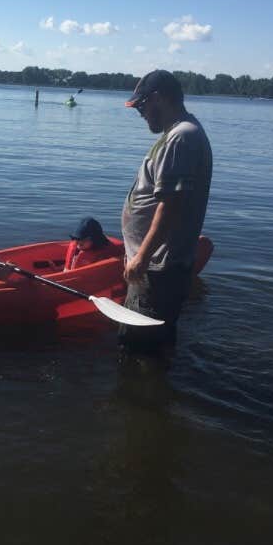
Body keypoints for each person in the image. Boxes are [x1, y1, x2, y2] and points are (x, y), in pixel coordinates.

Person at [119, 69, 213, 355]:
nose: (141, 114)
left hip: (157, 270)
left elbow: (171, 205)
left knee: (139, 349)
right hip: (156, 267)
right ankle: (156, 382)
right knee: (153, 345)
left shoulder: (181, 138)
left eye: (141, 106)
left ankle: (145, 382)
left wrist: (142, 257)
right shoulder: (180, 133)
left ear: (158, 98)